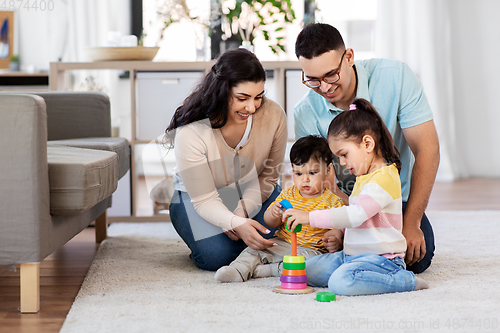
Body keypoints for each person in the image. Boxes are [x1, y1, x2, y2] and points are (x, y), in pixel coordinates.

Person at [293, 23, 439, 273]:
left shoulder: (396, 77)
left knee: (416, 259)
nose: (325, 88)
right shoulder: (305, 112)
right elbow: (319, 178)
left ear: (349, 57)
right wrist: (339, 228)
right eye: (313, 80)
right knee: (314, 254)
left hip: (392, 201)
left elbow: (428, 150)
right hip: (342, 205)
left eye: (331, 75)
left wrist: (412, 222)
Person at [284, 98, 429, 295]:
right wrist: (339, 233)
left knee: (340, 283)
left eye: (344, 154)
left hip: (381, 259)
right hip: (350, 255)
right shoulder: (362, 177)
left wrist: (308, 217)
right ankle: (352, 272)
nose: (342, 163)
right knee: (303, 270)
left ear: (367, 143)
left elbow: (356, 214)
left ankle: (404, 280)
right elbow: (356, 223)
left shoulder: (384, 177)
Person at [165, 48, 288, 271]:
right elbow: (204, 200)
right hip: (196, 197)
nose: (252, 107)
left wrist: (242, 210)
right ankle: (217, 245)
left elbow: (268, 178)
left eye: (258, 97)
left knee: (281, 236)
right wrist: (234, 222)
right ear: (222, 91)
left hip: (253, 190)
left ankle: (243, 246)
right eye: (243, 98)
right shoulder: (192, 131)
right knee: (217, 256)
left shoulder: (274, 115)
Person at [214, 135, 344, 282]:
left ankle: (269, 270)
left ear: (327, 170)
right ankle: (237, 270)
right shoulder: (288, 194)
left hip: (311, 250)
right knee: (254, 251)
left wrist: (334, 240)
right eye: (298, 173)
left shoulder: (333, 201)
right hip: (283, 242)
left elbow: (337, 228)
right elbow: (270, 222)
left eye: (312, 173)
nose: (305, 179)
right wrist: (274, 214)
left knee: (311, 264)